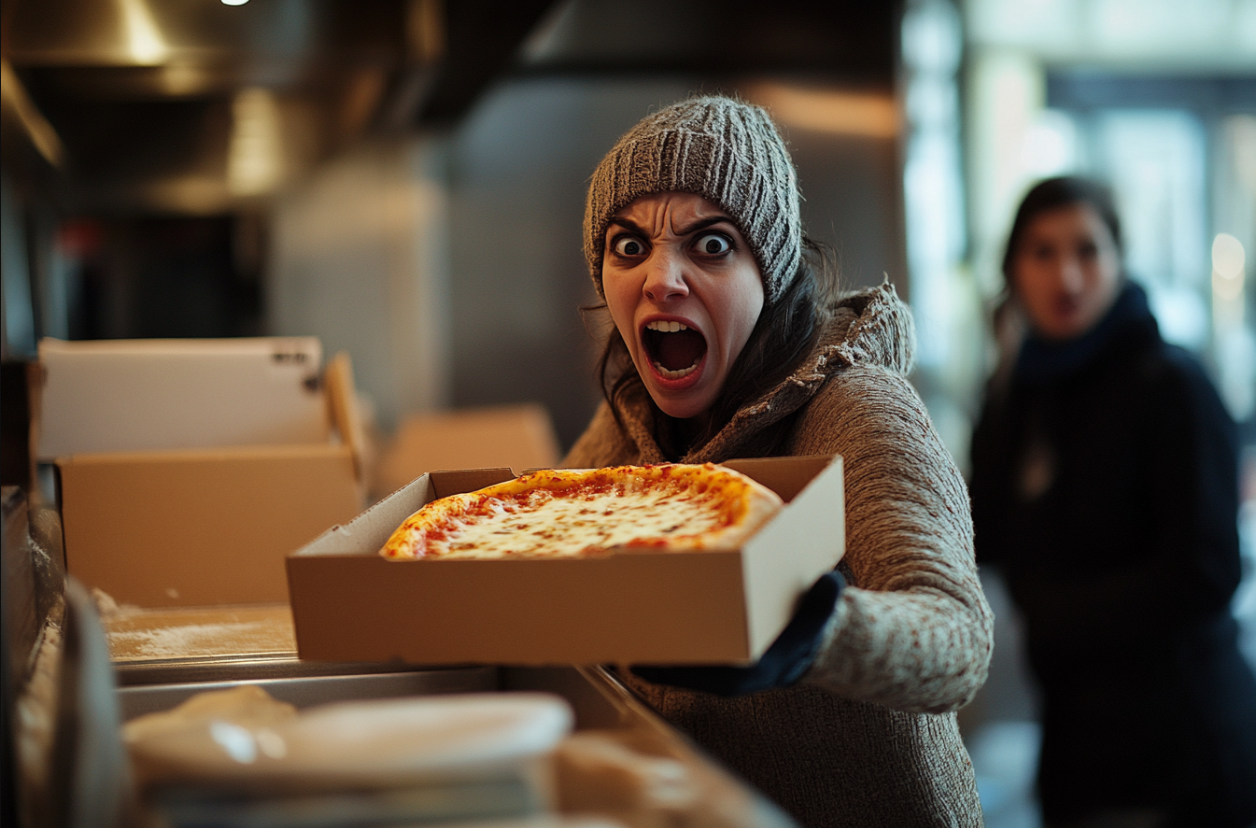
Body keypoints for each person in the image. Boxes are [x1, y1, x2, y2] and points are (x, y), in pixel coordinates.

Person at [561, 96, 994, 827]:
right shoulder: (628, 422)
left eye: (712, 245)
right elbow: (544, 570)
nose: (661, 280)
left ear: (773, 271)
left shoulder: (855, 408)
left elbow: (958, 640)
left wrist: (811, 632)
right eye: (629, 247)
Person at [969, 176, 1256, 828]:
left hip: (1180, 746)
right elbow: (991, 533)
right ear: (1013, 270)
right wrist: (1004, 371)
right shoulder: (1028, 387)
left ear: (1120, 261)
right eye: (1042, 253)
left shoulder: (1170, 382)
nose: (1066, 276)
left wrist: (1053, 611)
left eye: (1087, 251)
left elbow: (1208, 573)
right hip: (1076, 744)